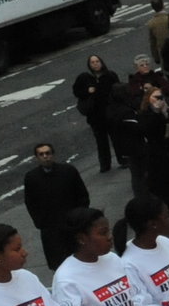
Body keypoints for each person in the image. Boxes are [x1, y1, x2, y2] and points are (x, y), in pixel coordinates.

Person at [21, 143, 90, 272]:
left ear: (53, 154)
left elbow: (82, 195)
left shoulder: (68, 171)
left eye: (47, 153)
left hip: (72, 223)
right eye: (41, 154)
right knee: (58, 262)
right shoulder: (31, 177)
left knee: (79, 257)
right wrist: (40, 222)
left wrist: (80, 216)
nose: (45, 156)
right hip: (50, 228)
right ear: (37, 157)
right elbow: (30, 202)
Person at [73, 54, 121, 174]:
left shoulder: (110, 75)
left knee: (116, 137)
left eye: (97, 61)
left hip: (110, 112)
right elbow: (76, 91)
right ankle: (105, 164)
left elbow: (118, 90)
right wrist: (87, 91)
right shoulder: (85, 78)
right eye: (92, 62)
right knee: (101, 141)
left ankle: (122, 159)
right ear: (89, 65)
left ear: (101, 62)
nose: (95, 64)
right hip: (96, 116)